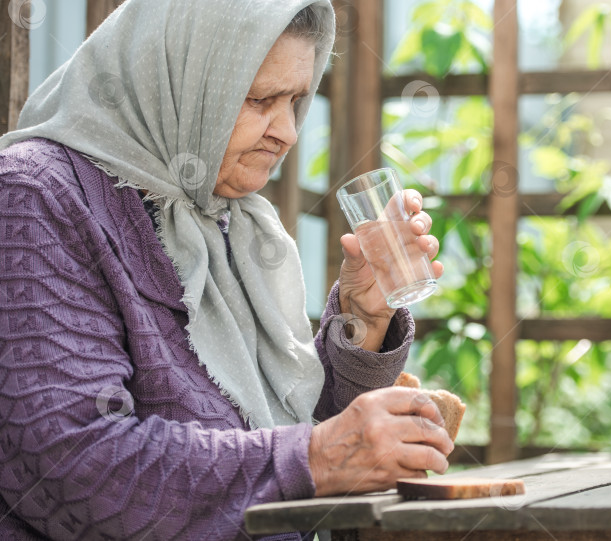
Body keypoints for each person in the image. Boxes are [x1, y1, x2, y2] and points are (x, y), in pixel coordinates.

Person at [0, 1, 453, 539]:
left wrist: (361, 318)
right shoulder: (35, 196)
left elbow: (286, 437)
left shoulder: (222, 217)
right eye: (260, 99)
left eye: (296, 100)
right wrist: (322, 456)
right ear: (175, 76)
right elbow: (71, 462)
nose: (286, 131)